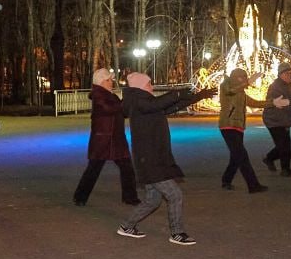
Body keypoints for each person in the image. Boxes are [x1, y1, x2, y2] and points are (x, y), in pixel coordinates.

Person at [117, 72, 215, 245]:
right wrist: (177, 93)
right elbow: (159, 102)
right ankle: (177, 233)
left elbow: (170, 106)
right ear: (140, 86)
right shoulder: (138, 102)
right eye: (149, 84)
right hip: (150, 160)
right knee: (175, 194)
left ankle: (126, 226)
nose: (151, 87)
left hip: (153, 158)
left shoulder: (145, 103)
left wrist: (198, 96)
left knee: (152, 200)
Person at [73, 68, 140, 206]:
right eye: (109, 80)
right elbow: (110, 109)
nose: (112, 82)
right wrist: (125, 102)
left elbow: (121, 112)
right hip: (103, 139)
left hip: (115, 139)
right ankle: (80, 197)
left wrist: (129, 105)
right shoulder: (98, 95)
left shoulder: (110, 96)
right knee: (94, 168)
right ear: (102, 82)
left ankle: (130, 197)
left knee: (126, 168)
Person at [218, 68, 269, 193]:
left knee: (236, 156)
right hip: (228, 125)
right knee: (242, 155)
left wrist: (274, 103)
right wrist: (247, 83)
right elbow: (230, 91)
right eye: (242, 78)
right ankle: (253, 185)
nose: (244, 80)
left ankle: (226, 180)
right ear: (235, 77)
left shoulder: (241, 93)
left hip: (238, 127)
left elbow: (255, 103)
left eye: (245, 78)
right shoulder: (226, 85)